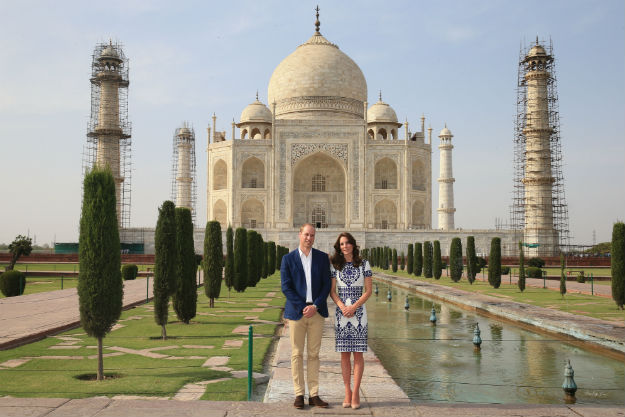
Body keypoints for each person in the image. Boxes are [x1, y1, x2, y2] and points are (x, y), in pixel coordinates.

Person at [280, 223, 331, 409]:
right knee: (296, 354)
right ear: (299, 234)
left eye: (312, 235)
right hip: (297, 312)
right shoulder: (288, 259)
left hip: (316, 312)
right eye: (306, 234)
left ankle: (314, 394)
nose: (309, 238)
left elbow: (326, 285)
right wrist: (303, 307)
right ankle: (299, 394)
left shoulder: (322, 258)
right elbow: (286, 287)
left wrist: (315, 305)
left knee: (314, 354)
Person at [329, 232, 372, 410]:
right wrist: (342, 306)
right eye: (341, 244)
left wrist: (353, 307)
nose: (344, 246)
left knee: (358, 355)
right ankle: (347, 391)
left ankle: (356, 392)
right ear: (339, 247)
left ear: (353, 245)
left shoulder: (364, 264)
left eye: (347, 243)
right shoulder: (335, 265)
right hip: (341, 314)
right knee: (345, 355)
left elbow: (368, 290)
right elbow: (332, 291)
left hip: (359, 314)